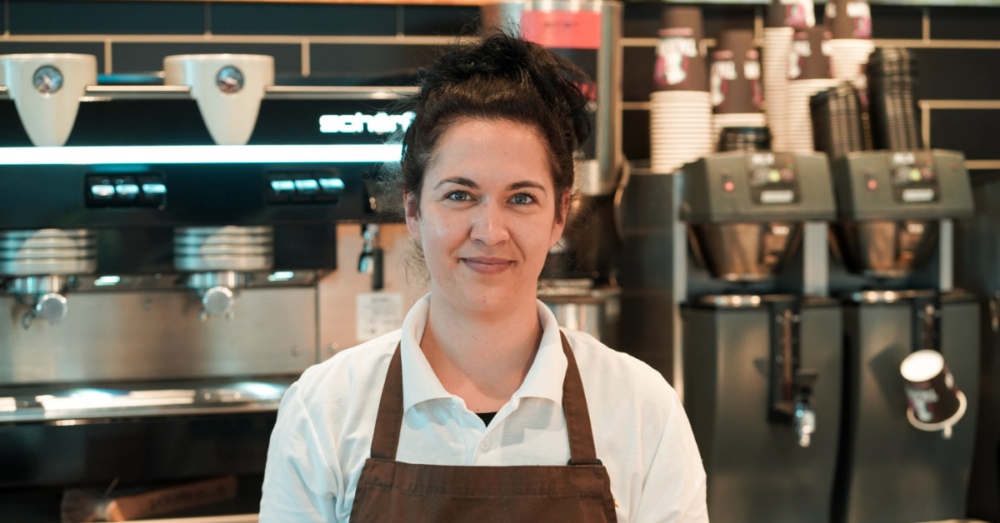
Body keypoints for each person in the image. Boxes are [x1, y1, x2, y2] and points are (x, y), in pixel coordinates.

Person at [260, 33, 708, 523]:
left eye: (521, 198)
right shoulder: (323, 409)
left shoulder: (642, 410)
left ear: (559, 216)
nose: (489, 233)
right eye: (459, 195)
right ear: (412, 209)